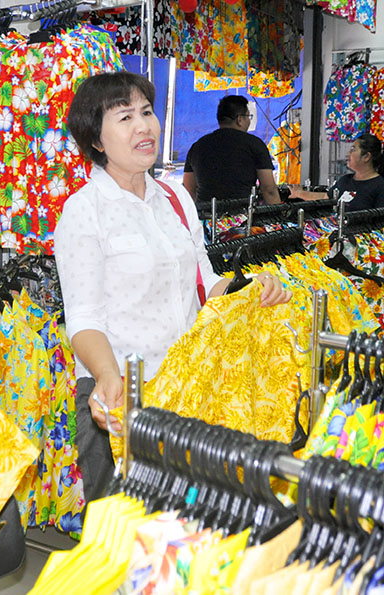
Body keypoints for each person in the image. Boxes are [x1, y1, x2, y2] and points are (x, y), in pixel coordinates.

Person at [55, 72, 292, 502]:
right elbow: (84, 319)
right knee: (124, 545)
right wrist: (109, 377)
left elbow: (204, 282)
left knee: (183, 534)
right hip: (122, 396)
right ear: (97, 140)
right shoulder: (83, 211)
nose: (144, 126)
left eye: (146, 112)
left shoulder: (176, 199)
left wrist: (251, 288)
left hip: (188, 389)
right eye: (125, 118)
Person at [183, 95, 281, 205]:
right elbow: (269, 189)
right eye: (249, 117)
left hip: (205, 218)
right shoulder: (255, 145)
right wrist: (277, 218)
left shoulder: (197, 146)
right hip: (242, 218)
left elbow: (189, 190)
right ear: (240, 119)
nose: (249, 121)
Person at [288, 133, 384, 210]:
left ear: (366, 156)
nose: (347, 154)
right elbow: (326, 197)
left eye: (353, 150)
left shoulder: (380, 186)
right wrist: (299, 193)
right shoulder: (345, 180)